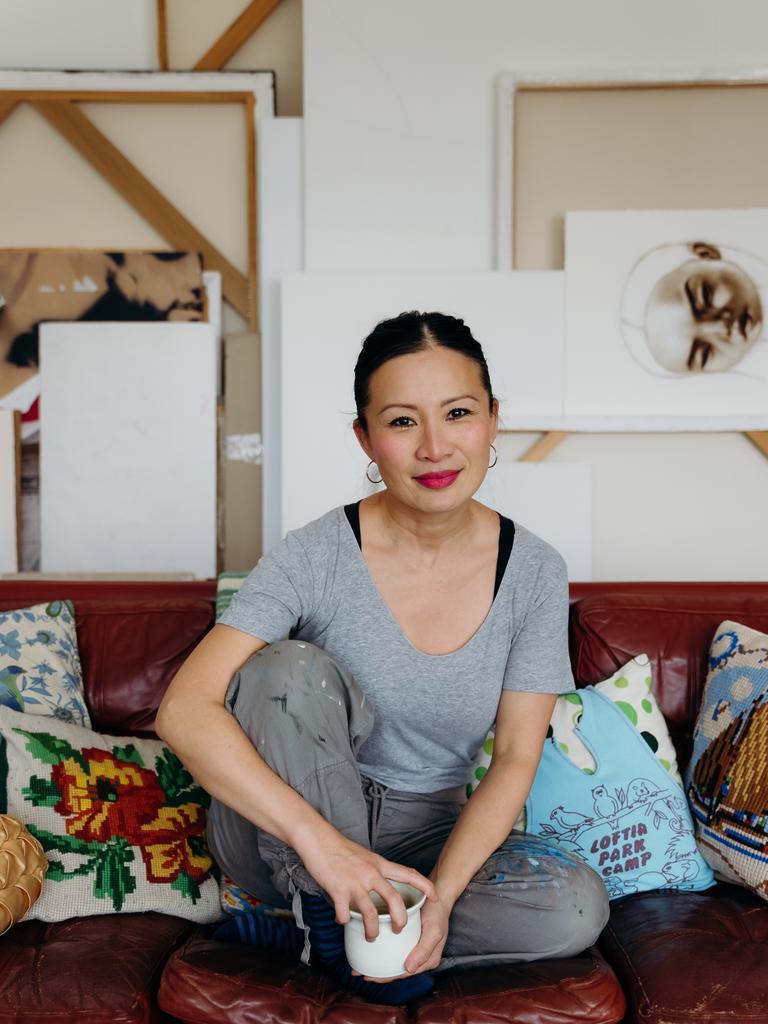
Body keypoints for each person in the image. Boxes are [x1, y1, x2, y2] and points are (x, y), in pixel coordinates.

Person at [155, 311, 609, 1005]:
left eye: (457, 413)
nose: (434, 446)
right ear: (365, 438)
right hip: (287, 830)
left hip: (426, 834)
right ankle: (335, 923)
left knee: (575, 906)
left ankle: (321, 934)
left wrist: (445, 900)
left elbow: (517, 756)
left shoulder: (535, 571)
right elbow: (184, 711)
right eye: (402, 422)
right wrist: (326, 848)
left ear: (493, 420)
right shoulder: (314, 553)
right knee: (287, 668)